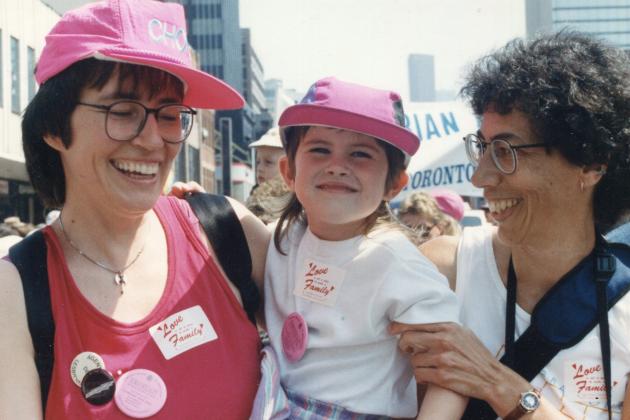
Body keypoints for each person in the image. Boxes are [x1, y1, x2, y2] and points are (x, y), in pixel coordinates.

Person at [0, 0, 269, 418]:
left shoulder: (230, 232)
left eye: (169, 114)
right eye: (123, 111)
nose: (152, 140)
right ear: (54, 127)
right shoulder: (14, 291)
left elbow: (354, 335)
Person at [392, 31, 630, 419]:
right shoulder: (443, 269)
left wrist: (496, 384)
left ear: (590, 164)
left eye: (505, 151)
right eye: (482, 148)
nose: (480, 177)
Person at [265, 77, 464, 418]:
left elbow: (451, 369)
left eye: (360, 154)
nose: (337, 165)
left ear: (395, 184)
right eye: (319, 149)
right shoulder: (279, 240)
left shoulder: (397, 261)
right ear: (288, 171)